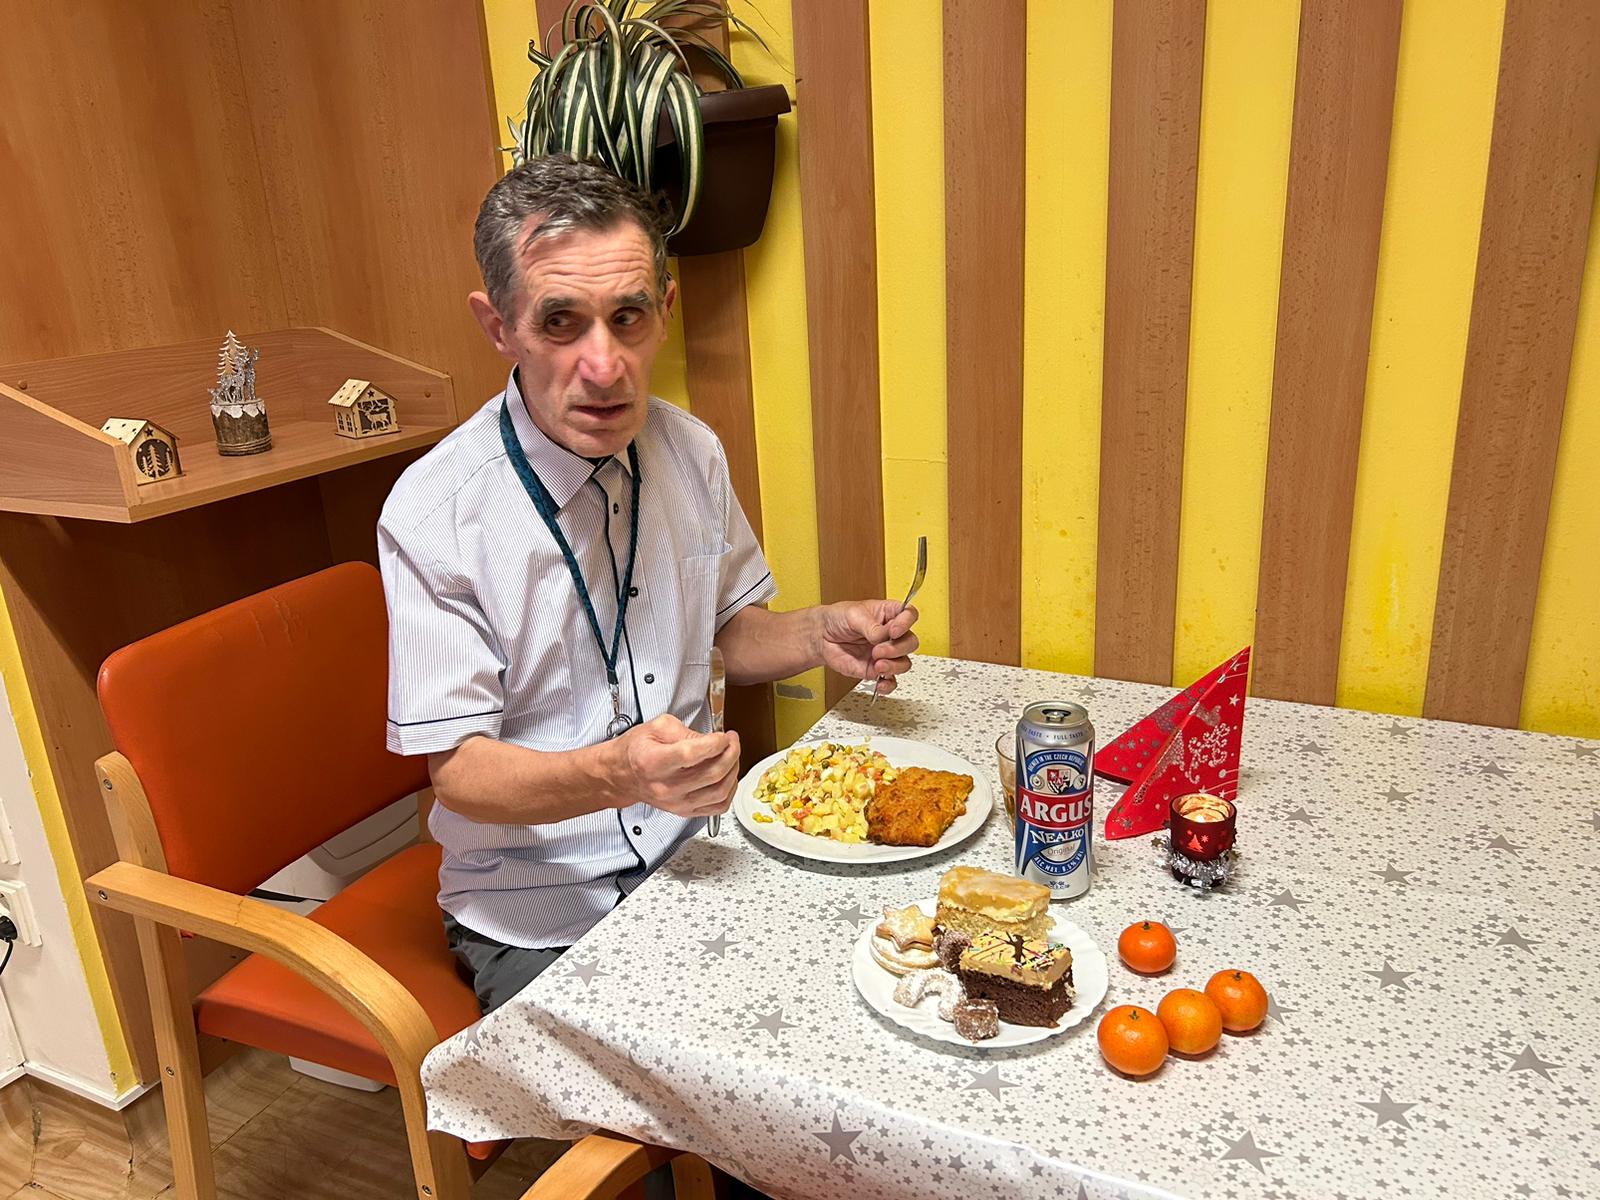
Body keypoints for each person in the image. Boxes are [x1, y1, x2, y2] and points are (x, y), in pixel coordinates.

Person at [378, 156, 921, 1014]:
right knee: (663, 1082)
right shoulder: (435, 512)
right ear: (500, 325)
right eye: (561, 321)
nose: (605, 365)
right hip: (537, 905)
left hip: (697, 855)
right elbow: (461, 772)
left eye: (627, 317)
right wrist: (620, 773)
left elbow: (727, 633)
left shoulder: (690, 451)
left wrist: (818, 633)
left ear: (664, 312)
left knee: (873, 992)